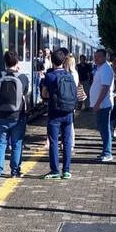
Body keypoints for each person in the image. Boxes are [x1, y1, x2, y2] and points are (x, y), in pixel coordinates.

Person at [0, 51, 29, 179]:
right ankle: (15, 171)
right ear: (17, 62)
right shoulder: (22, 77)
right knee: (17, 144)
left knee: (1, 144)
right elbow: (25, 96)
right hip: (18, 116)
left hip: (1, 116)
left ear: (4, 62)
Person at [41, 49, 77, 179]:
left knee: (54, 142)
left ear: (52, 61)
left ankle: (55, 171)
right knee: (67, 142)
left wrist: (48, 94)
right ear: (63, 61)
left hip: (54, 113)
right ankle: (66, 171)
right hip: (68, 113)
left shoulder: (50, 76)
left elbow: (44, 94)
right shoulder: (69, 75)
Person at [89, 49, 114, 162]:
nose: (96, 58)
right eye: (95, 56)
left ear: (105, 57)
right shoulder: (101, 68)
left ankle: (107, 153)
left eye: (98, 56)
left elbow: (105, 88)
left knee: (105, 129)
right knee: (103, 128)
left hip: (103, 105)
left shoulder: (105, 69)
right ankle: (105, 152)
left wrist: (98, 103)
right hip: (100, 105)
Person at [64, 54, 79, 150]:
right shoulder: (75, 73)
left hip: (69, 101)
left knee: (70, 123)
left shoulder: (71, 74)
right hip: (72, 101)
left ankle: (70, 143)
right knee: (70, 122)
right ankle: (70, 142)